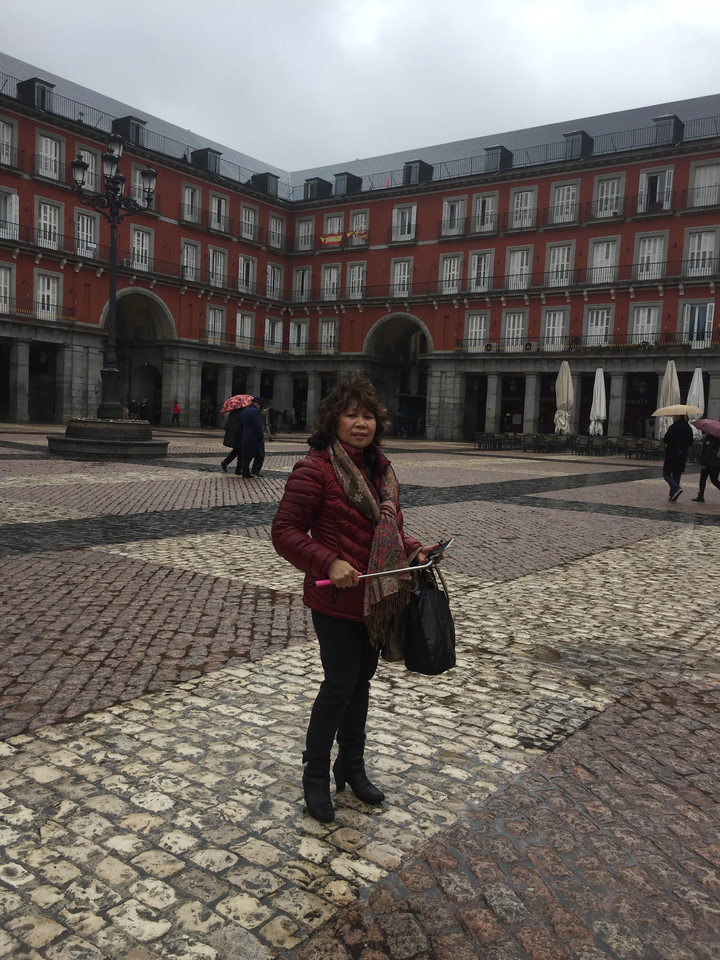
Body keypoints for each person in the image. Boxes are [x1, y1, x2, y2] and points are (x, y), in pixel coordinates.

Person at [271, 372, 439, 823]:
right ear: (333, 420)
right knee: (339, 683)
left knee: (361, 681)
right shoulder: (316, 468)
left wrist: (415, 550)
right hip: (335, 597)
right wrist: (327, 562)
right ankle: (315, 776)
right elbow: (284, 532)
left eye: (368, 415)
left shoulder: (381, 470)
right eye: (351, 415)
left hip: (374, 599)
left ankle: (351, 765)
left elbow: (388, 533)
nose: (360, 423)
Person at [663, 414, 694, 502]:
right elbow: (690, 441)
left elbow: (666, 439)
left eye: (674, 416)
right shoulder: (688, 428)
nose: (673, 417)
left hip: (672, 453)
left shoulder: (673, 427)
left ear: (677, 417)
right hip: (682, 454)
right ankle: (672, 495)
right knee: (677, 474)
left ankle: (676, 488)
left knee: (666, 474)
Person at [240, 397, 265, 478]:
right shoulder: (255, 412)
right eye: (259, 406)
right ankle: (255, 471)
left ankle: (245, 472)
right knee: (260, 455)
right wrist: (260, 436)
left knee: (247, 456)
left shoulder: (244, 411)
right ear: (257, 404)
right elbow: (257, 425)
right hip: (254, 436)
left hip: (245, 435)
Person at [693, 431, 720, 502]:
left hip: (709, 462)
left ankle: (701, 496)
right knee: (714, 480)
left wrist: (703, 462)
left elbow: (707, 451)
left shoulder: (710, 438)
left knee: (703, 479)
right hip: (717, 462)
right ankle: (700, 495)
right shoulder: (718, 437)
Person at [221, 406, 244, 475]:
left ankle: (237, 468)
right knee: (239, 451)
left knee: (238, 451)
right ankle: (236, 468)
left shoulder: (233, 412)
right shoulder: (241, 413)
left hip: (233, 434)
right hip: (238, 434)